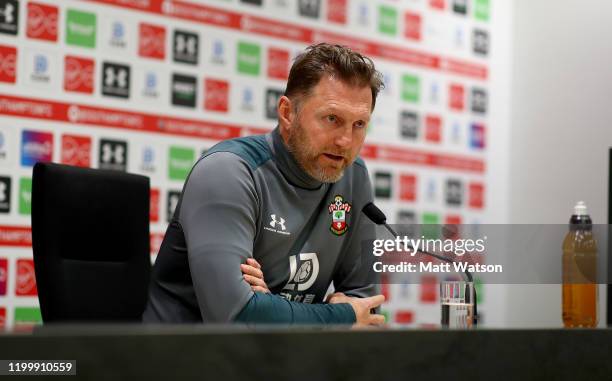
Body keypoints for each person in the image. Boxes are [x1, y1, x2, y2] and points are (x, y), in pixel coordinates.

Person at [143, 43, 385, 326]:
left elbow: (367, 309)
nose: (345, 141)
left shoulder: (353, 175)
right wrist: (340, 315)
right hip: (186, 362)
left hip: (283, 362)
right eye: (332, 119)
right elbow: (236, 316)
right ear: (287, 113)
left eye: (359, 125)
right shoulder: (228, 171)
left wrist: (270, 306)